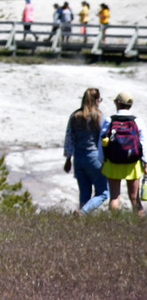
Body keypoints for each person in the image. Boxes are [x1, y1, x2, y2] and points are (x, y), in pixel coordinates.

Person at [63, 88, 109, 216]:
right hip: (95, 158)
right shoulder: (98, 116)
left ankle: (81, 221)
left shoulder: (75, 116)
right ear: (96, 100)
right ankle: (83, 212)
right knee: (103, 193)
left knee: (84, 193)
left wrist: (68, 159)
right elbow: (104, 138)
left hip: (79, 158)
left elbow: (69, 139)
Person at [100, 91, 145, 215]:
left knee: (114, 197)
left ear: (118, 103)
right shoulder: (137, 121)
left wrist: (102, 161)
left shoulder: (110, 120)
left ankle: (114, 226)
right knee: (134, 198)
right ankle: (140, 224)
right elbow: (143, 143)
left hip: (113, 162)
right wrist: (145, 163)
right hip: (133, 163)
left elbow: (102, 142)